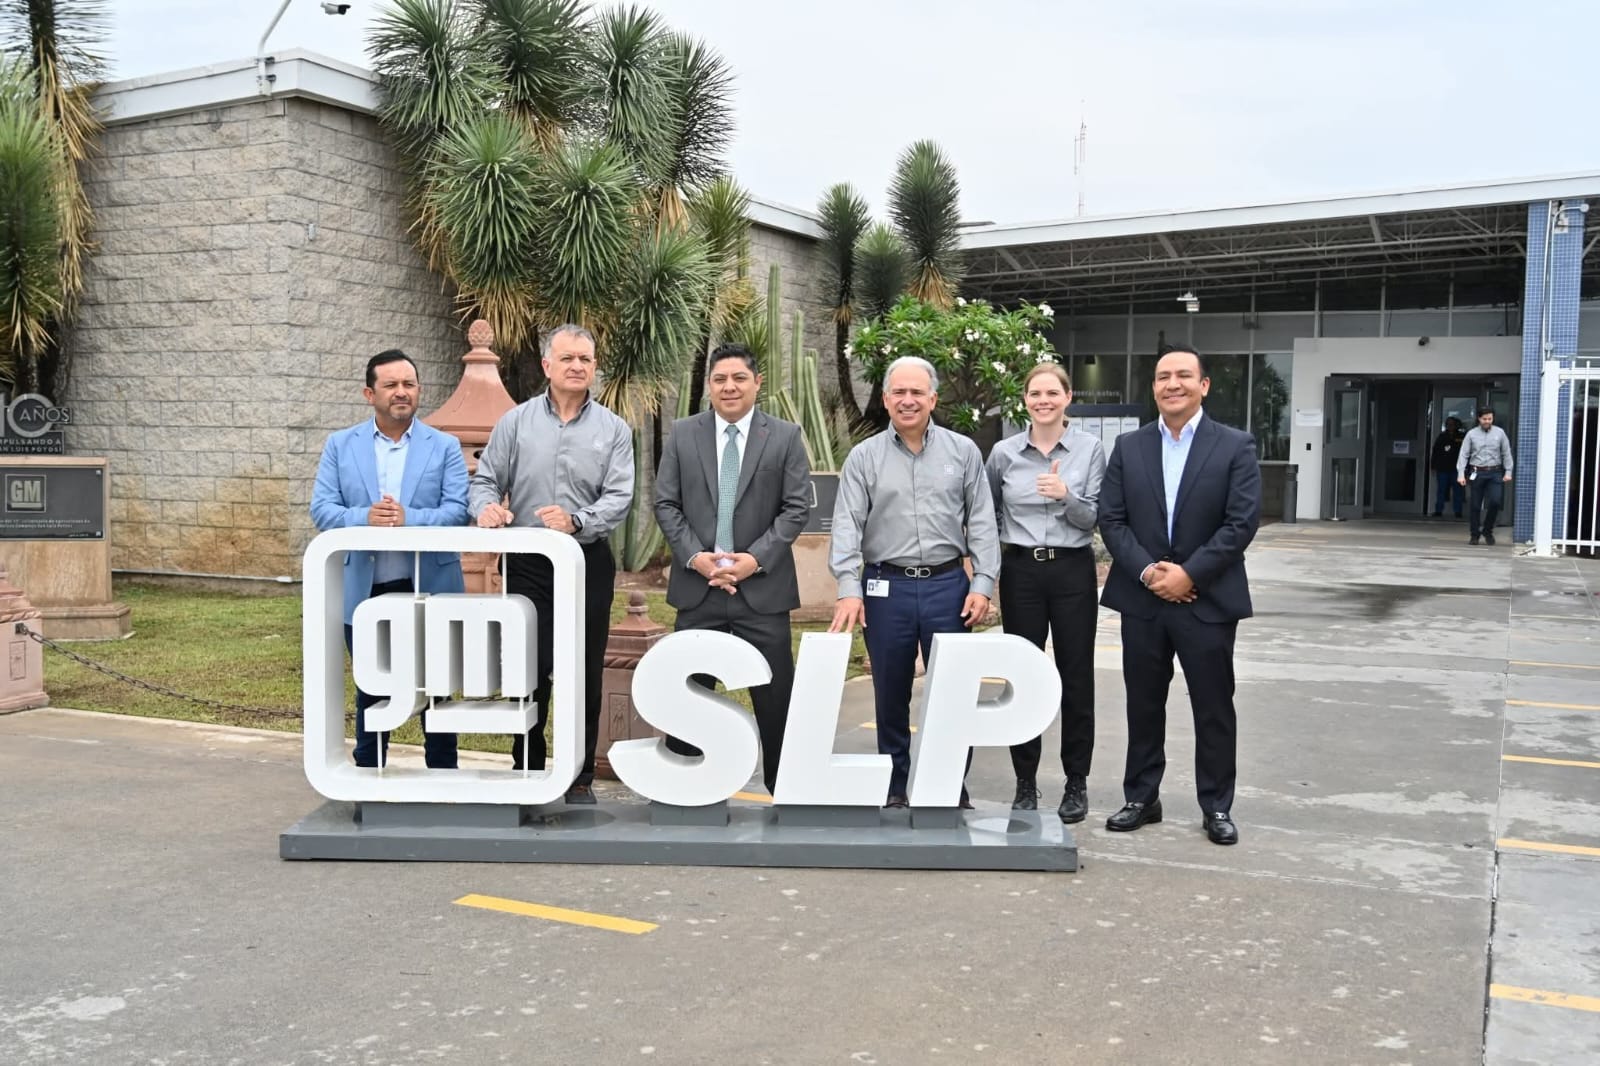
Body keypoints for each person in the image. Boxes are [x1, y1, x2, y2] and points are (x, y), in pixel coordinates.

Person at [1097, 345, 1261, 846]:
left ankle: (1216, 805)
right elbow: (1112, 520)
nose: (1173, 384)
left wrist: (1190, 574)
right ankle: (1141, 798)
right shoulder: (1129, 447)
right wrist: (1150, 572)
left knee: (1213, 707)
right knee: (1143, 704)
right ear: (1154, 388)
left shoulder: (1235, 446)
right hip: (1143, 599)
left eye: (1184, 375)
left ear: (1203, 386)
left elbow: (1240, 523)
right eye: (1163, 376)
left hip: (1207, 601)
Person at [469, 323, 634, 804]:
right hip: (529, 563)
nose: (577, 366)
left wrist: (577, 521)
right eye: (567, 358)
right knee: (529, 667)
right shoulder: (515, 422)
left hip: (586, 561)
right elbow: (485, 479)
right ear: (547, 366)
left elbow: (619, 496)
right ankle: (528, 766)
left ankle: (579, 778)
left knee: (584, 669)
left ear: (594, 366)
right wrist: (485, 507)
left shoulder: (614, 430)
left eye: (585, 359)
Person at [827, 356, 1000, 809]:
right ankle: (895, 784)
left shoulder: (963, 452)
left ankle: (949, 785)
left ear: (933, 399)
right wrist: (848, 587)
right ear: (886, 400)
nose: (908, 400)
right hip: (886, 588)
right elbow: (847, 524)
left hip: (948, 586)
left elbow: (983, 520)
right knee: (890, 692)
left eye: (917, 392)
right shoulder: (864, 457)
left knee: (952, 692)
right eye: (899, 392)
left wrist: (982, 582)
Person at [653, 343, 812, 793]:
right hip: (697, 588)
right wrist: (696, 557)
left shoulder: (784, 436)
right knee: (689, 696)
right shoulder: (683, 434)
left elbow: (796, 508)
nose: (729, 387)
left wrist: (754, 560)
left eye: (739, 378)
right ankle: (684, 792)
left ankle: (786, 789)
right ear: (709, 386)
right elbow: (665, 503)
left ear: (757, 383)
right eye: (720, 379)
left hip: (762, 591)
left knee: (776, 698)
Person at [310, 348, 469, 770]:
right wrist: (363, 517)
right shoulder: (340, 445)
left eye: (409, 384)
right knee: (371, 686)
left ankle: (443, 776)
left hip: (431, 587)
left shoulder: (445, 446)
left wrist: (408, 518)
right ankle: (368, 773)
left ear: (419, 390)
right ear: (370, 394)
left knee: (437, 685)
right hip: (365, 589)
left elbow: (458, 510)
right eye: (392, 385)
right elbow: (322, 509)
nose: (402, 392)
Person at [985, 362, 1106, 823]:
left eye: (1052, 393)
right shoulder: (1004, 453)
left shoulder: (1090, 450)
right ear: (1025, 400)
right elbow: (988, 512)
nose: (1043, 401)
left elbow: (1094, 517)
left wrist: (1064, 495)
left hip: (1072, 570)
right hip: (1022, 572)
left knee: (1076, 676)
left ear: (1068, 397)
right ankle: (1025, 781)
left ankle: (1076, 781)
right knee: (1023, 676)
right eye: (1035, 393)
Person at [1456, 406, 1514, 546]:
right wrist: (1461, 473)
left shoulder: (1500, 433)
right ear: (1479, 419)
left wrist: (1508, 471)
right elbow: (1463, 454)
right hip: (1477, 472)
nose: (1487, 421)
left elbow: (1506, 453)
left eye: (1490, 419)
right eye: (1484, 419)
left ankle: (1487, 530)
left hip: (1495, 472)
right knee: (1475, 505)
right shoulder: (1471, 434)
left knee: (1495, 501)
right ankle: (1474, 534)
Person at [1430, 416, 1465, 518]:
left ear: (1456, 425)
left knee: (1457, 491)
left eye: (1452, 424)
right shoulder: (1442, 436)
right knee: (1441, 490)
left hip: (1457, 469)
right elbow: (1435, 451)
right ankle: (1438, 511)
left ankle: (1458, 511)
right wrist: (1433, 465)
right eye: (1448, 424)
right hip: (1443, 468)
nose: (1450, 426)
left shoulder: (1461, 436)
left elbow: (1466, 452)